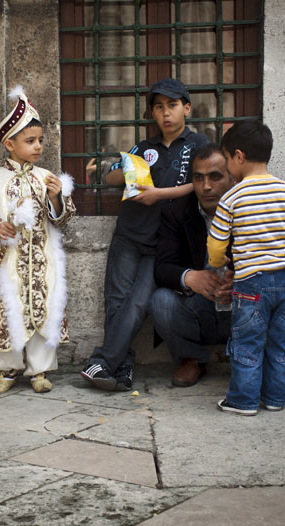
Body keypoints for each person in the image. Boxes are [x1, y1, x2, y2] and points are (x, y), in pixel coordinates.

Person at [81, 78, 210, 391]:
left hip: (163, 244)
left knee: (139, 302)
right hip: (128, 234)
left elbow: (204, 184)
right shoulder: (144, 148)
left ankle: (101, 360)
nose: (166, 113)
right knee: (116, 301)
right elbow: (114, 177)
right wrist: (121, 167)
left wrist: (159, 194)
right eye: (159, 107)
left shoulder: (200, 145)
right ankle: (120, 370)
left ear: (186, 108)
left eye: (172, 105)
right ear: (152, 113)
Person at [0, 86, 76, 394]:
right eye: (30, 141)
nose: (38, 146)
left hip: (42, 264)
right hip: (6, 266)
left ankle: (39, 371)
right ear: (10, 144)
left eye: (40, 140)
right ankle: (7, 370)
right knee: (6, 314)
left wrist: (55, 198)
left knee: (43, 310)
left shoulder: (47, 178)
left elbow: (64, 218)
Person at [208, 119, 285, 416]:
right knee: (281, 343)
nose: (228, 166)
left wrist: (218, 264)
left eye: (227, 159)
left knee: (247, 344)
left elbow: (216, 246)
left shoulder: (231, 197)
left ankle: (243, 401)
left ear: (238, 156)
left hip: (251, 283)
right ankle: (276, 398)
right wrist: (279, 240)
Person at [150, 143, 234, 387]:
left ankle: (245, 358)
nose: (206, 186)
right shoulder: (177, 211)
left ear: (231, 178)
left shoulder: (246, 207)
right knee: (160, 301)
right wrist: (191, 278)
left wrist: (239, 280)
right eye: (198, 178)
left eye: (215, 177)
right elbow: (162, 268)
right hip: (199, 305)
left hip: (239, 303)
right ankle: (191, 359)